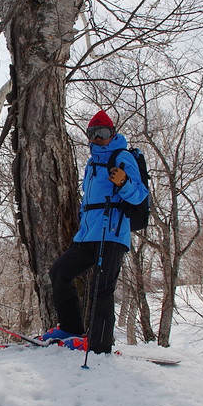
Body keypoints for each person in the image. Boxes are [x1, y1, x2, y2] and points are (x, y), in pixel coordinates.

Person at [42, 110, 148, 354]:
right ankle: (71, 328)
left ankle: (99, 345)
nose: (98, 138)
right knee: (60, 273)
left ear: (112, 134)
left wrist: (124, 183)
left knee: (102, 288)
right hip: (88, 234)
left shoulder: (122, 157)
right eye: (93, 133)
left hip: (111, 233)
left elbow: (139, 195)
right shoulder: (92, 163)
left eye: (103, 133)